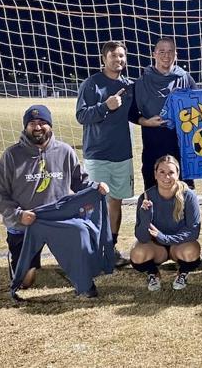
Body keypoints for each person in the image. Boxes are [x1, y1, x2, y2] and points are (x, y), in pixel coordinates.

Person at [0, 105, 108, 293]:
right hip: (25, 223)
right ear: (25, 127)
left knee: (80, 236)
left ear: (50, 125)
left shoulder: (65, 151)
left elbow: (80, 182)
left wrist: (96, 187)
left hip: (58, 219)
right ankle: (22, 263)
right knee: (25, 282)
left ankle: (78, 268)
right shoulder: (12, 155)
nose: (37, 127)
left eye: (42, 122)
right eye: (32, 123)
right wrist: (18, 215)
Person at [76, 40, 137, 267]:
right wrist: (105, 106)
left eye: (121, 56)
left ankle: (111, 249)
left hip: (122, 155)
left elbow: (135, 113)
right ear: (104, 59)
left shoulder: (129, 86)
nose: (118, 59)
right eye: (113, 56)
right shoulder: (91, 84)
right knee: (94, 203)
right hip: (97, 154)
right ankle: (93, 248)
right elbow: (81, 115)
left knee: (115, 203)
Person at [130, 155, 201, 291]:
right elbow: (142, 237)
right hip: (156, 247)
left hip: (179, 245)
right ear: (155, 174)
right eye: (162, 172)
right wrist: (146, 216)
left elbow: (193, 231)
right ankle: (153, 273)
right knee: (137, 254)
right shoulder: (146, 197)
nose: (166, 177)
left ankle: (182, 272)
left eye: (171, 172)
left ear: (177, 174)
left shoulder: (188, 196)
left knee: (192, 251)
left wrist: (165, 238)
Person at [134, 37, 197, 190]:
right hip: (152, 148)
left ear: (176, 54)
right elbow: (131, 113)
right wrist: (146, 122)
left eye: (170, 51)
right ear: (154, 54)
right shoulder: (141, 82)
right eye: (162, 51)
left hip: (182, 150)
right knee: (153, 193)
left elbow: (198, 108)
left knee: (183, 194)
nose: (166, 55)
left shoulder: (186, 79)